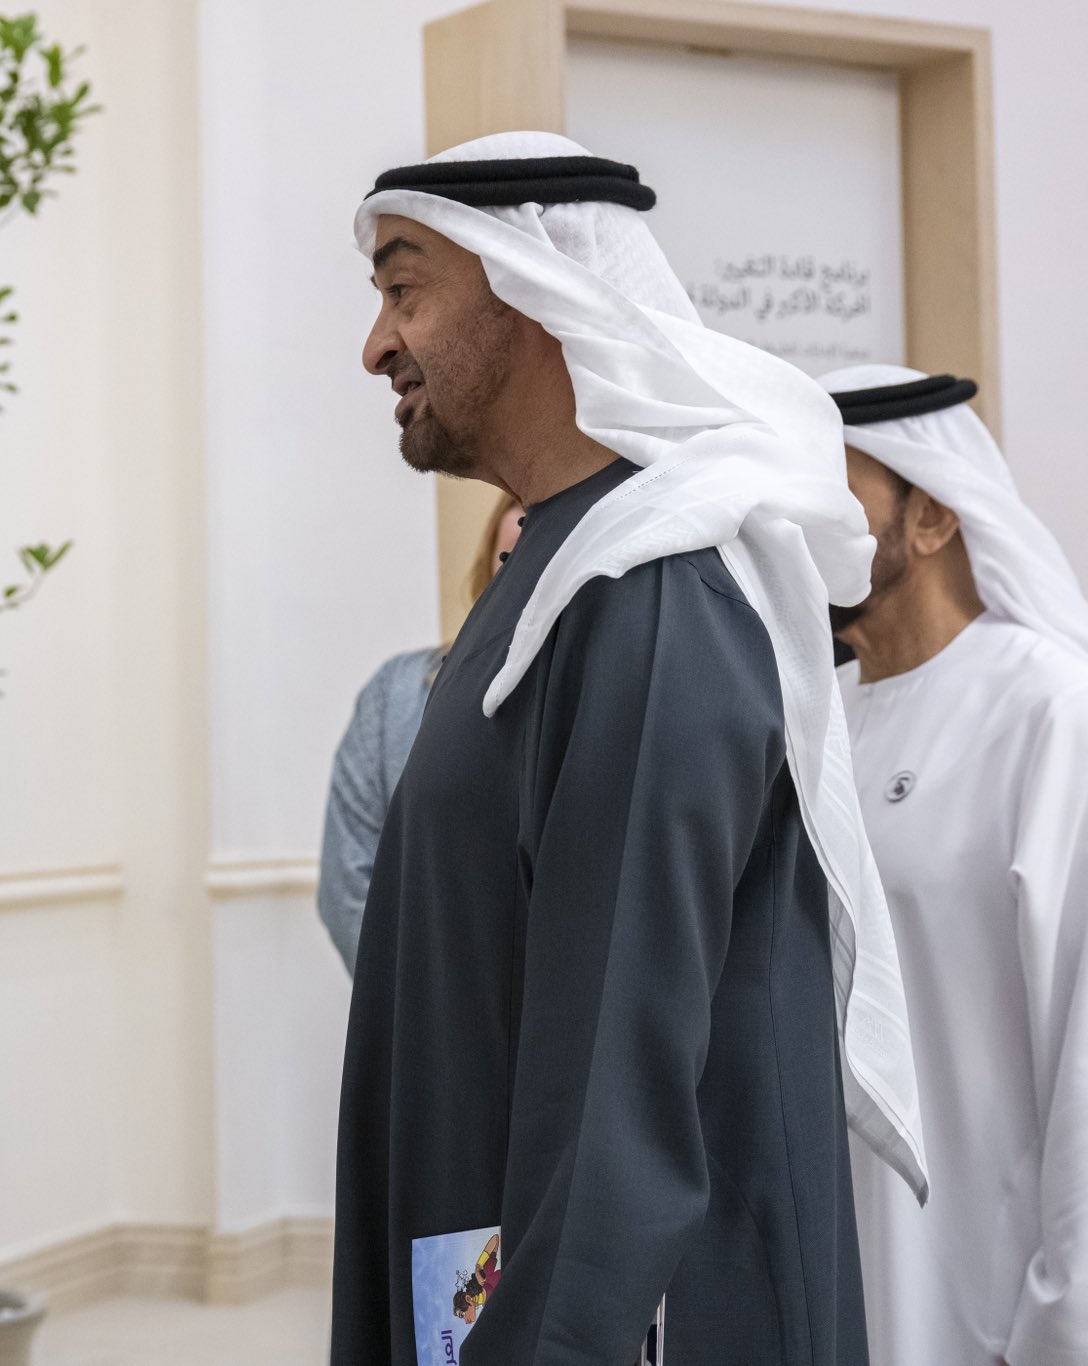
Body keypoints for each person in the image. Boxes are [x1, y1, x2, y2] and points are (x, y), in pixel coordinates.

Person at [329, 132, 927, 1365]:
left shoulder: (648, 596)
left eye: (403, 291)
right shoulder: (560, 569)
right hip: (485, 1261)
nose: (376, 344)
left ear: (530, 290)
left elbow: (617, 1081)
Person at [822, 365, 1088, 1366]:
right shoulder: (816, 721)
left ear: (931, 517)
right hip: (837, 1283)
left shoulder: (1050, 712)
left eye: (831, 490)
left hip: (991, 1309)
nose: (799, 521)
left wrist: (1058, 1327)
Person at [318, 494, 520, 970]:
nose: (526, 577)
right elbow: (348, 885)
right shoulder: (398, 694)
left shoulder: (609, 687)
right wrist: (425, 997)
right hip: (426, 1000)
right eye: (510, 561)